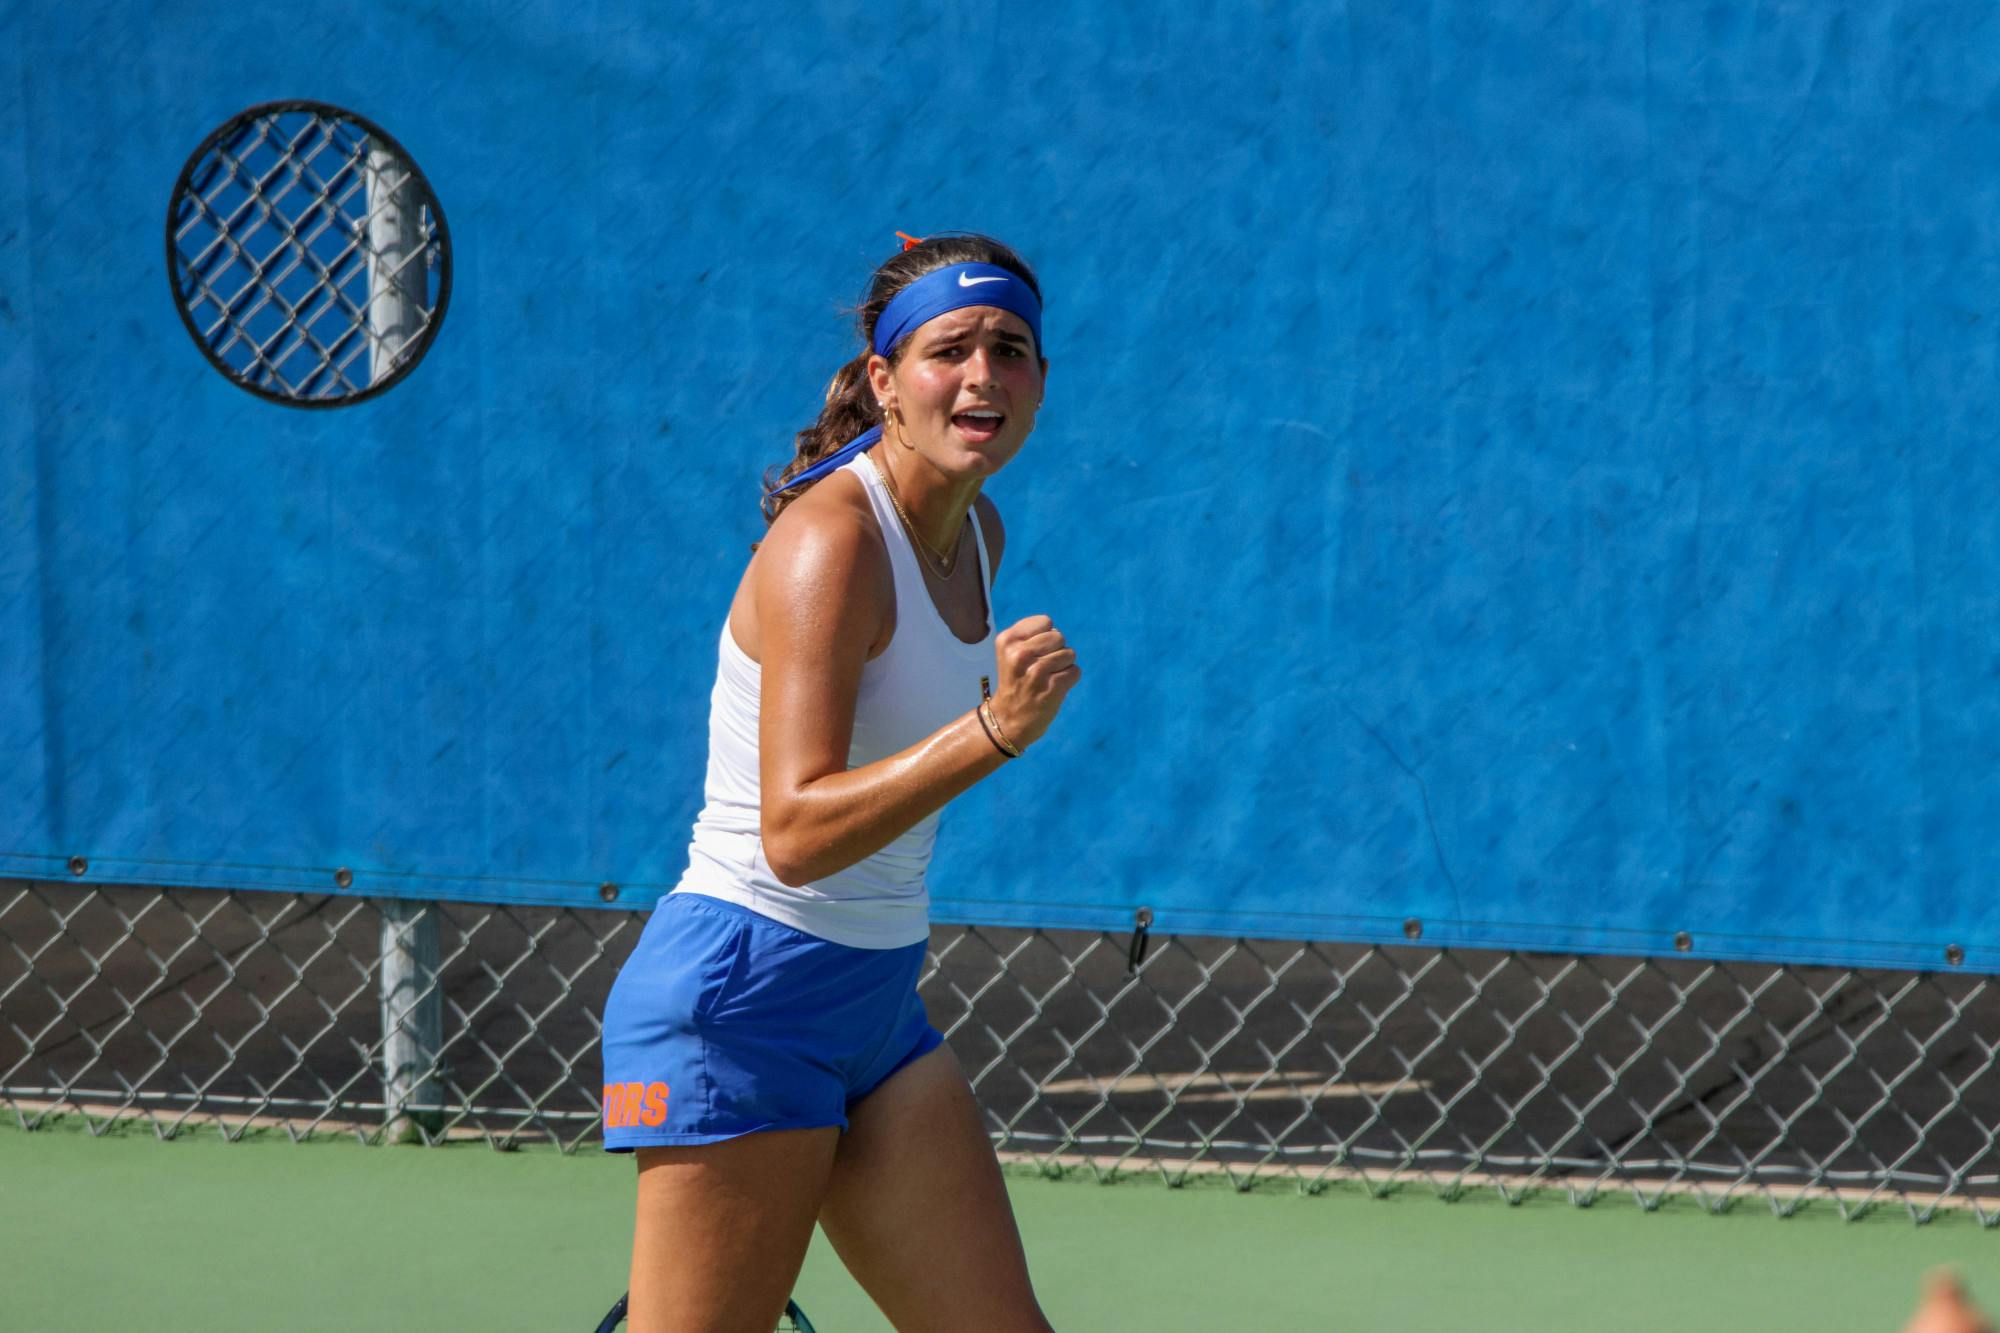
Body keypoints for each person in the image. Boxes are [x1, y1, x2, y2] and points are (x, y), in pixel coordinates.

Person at [600, 232, 1078, 1333]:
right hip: (742, 999)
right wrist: (991, 731)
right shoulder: (833, 543)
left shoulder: (976, 534)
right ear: (883, 380)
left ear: (1040, 380)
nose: (981, 377)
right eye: (947, 349)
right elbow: (795, 831)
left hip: (872, 1007)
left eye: (1010, 350)